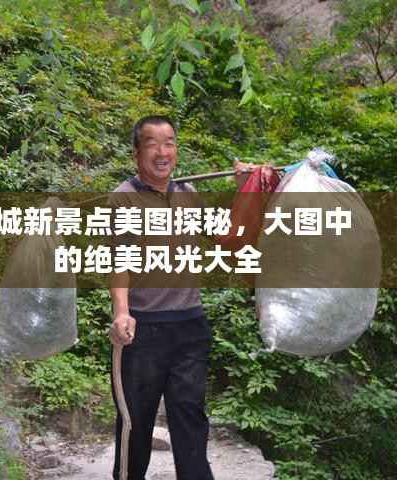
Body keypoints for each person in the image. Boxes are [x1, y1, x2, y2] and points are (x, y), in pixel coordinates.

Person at [108, 115, 273, 480]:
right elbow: (119, 262)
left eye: (169, 143)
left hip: (189, 326)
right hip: (143, 329)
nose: (162, 152)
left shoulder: (188, 194)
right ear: (136, 153)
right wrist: (121, 312)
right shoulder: (124, 198)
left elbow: (227, 237)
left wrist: (246, 189)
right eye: (152, 144)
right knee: (135, 422)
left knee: (190, 418)